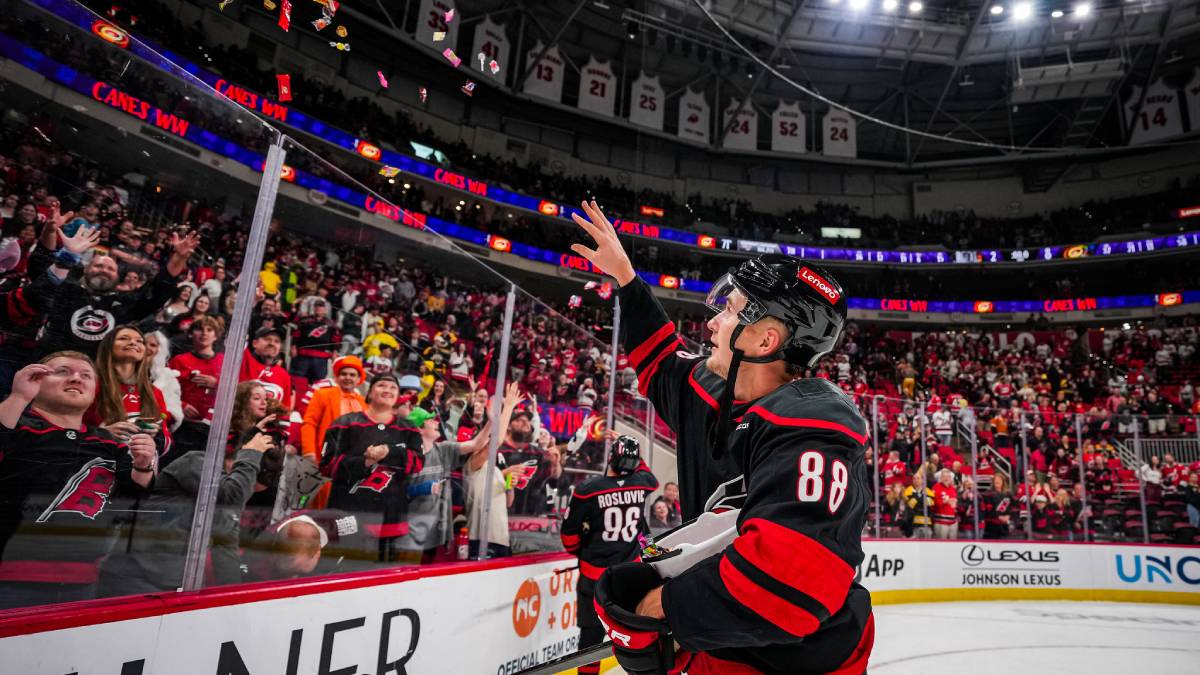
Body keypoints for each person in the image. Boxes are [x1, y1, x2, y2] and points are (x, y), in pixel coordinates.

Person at [571, 202, 874, 674]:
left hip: (797, 661)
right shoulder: (710, 392)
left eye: (730, 310)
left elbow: (791, 585)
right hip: (720, 637)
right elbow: (659, 359)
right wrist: (627, 279)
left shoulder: (816, 426)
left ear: (765, 341)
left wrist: (660, 607)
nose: (712, 321)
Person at [0, 354, 155, 608]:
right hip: (9, 577)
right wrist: (18, 398)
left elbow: (134, 500)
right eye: (62, 371)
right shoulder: (17, 425)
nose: (75, 378)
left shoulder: (109, 443)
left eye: (86, 375)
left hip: (81, 580)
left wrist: (143, 464)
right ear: (34, 379)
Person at [97, 382, 281, 594]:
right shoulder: (197, 463)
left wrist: (233, 596)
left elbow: (226, 547)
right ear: (239, 465)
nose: (244, 491)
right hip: (131, 574)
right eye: (243, 478)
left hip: (171, 581)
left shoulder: (228, 490)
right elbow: (234, 496)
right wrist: (251, 454)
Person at [7, 218, 198, 357]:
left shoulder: (125, 303)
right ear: (86, 270)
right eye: (98, 266)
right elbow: (41, 271)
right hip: (47, 365)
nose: (104, 270)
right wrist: (49, 231)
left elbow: (157, 293)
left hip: (93, 377)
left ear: (117, 276)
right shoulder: (67, 290)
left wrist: (179, 258)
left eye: (110, 268)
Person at [561, 436, 658, 675]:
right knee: (634, 632)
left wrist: (581, 552)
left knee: (591, 637)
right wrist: (635, 454)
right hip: (629, 574)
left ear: (611, 458)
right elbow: (647, 475)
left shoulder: (588, 490)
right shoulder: (644, 483)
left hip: (594, 576)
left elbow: (569, 536)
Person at [318, 374, 425, 564]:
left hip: (390, 516)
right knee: (339, 573)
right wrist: (364, 463)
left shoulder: (409, 429)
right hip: (347, 513)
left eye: (393, 387)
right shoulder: (345, 423)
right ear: (369, 393)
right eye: (381, 385)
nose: (387, 390)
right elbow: (326, 466)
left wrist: (388, 452)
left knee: (382, 579)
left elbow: (418, 464)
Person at [395, 407, 492, 563]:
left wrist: (491, 422)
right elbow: (394, 494)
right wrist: (421, 489)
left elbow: (475, 444)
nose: (435, 422)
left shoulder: (442, 449)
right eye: (430, 420)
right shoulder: (404, 456)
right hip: (410, 534)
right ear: (419, 429)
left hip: (436, 532)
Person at [86, 325, 173, 461]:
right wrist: (101, 434)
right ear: (107, 346)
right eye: (123, 338)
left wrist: (157, 436)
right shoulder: (89, 384)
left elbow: (167, 444)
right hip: (94, 467)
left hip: (138, 472)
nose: (133, 343)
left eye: (139, 341)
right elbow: (65, 429)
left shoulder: (154, 392)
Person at [168, 316, 225, 457]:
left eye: (209, 330)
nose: (204, 333)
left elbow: (238, 391)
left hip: (214, 429)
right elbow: (165, 390)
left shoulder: (225, 362)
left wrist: (217, 384)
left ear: (216, 336)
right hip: (183, 426)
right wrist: (182, 405)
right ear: (191, 333)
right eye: (199, 329)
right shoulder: (179, 360)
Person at [239, 326, 294, 409]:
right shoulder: (243, 360)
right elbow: (238, 339)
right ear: (255, 343)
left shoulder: (284, 375)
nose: (272, 343)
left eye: (277, 341)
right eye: (267, 339)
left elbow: (284, 410)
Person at [982, 472, 1014, 539]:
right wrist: (998, 517)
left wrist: (1009, 516)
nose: (997, 481)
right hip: (992, 525)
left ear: (1003, 481)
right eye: (995, 479)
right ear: (993, 482)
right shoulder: (987, 494)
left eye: (999, 479)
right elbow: (987, 509)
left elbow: (1014, 506)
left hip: (1005, 524)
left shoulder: (1009, 494)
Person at [931, 469, 959, 539]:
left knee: (953, 544)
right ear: (941, 478)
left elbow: (954, 504)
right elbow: (932, 503)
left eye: (948, 477)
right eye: (944, 476)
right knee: (941, 544)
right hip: (941, 522)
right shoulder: (936, 487)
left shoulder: (952, 488)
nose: (946, 478)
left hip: (953, 521)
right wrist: (944, 501)